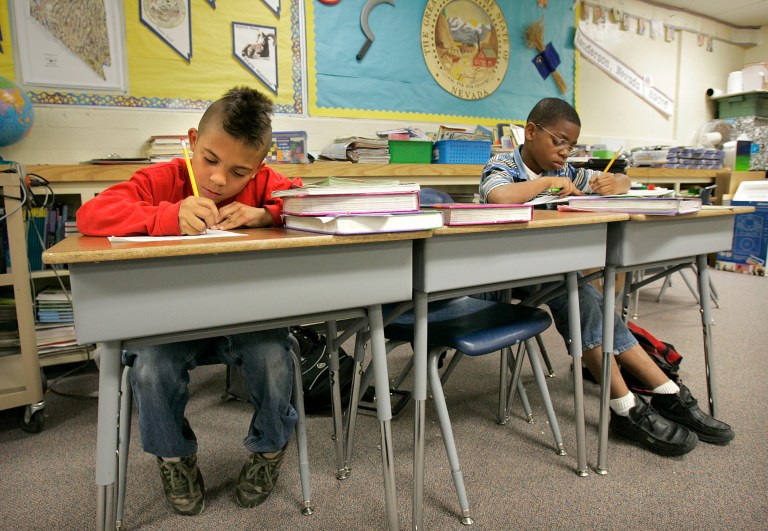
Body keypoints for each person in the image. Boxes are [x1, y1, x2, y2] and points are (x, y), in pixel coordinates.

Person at [77, 86, 301, 515]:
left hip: (246, 318)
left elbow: (307, 200)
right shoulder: (163, 179)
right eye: (210, 160)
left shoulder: (264, 185)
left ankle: (270, 448)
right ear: (192, 142)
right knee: (150, 370)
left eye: (239, 172)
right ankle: (175, 457)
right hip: (171, 321)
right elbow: (92, 215)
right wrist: (164, 216)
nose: (219, 180)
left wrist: (267, 214)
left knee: (274, 357)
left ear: (257, 170)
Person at [478, 97, 734, 456]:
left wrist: (617, 181)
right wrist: (548, 184)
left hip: (546, 270)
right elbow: (499, 197)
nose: (565, 152)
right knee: (578, 294)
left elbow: (619, 180)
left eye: (571, 145)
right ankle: (639, 402)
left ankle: (655, 395)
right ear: (532, 132)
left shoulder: (569, 171)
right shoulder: (503, 163)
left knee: (585, 296)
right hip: (496, 275)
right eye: (558, 141)